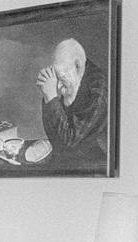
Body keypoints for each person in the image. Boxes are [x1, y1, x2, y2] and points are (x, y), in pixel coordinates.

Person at [35, 38, 108, 169]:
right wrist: (48, 96)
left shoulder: (97, 92)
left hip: (91, 166)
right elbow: (55, 139)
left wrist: (51, 98)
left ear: (78, 66)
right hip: (67, 160)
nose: (57, 85)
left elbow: (67, 141)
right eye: (56, 78)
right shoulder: (73, 77)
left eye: (61, 78)